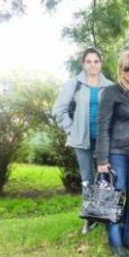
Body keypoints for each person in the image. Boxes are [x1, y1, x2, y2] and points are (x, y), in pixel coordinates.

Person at [96, 49, 129, 257]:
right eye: (127, 67)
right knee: (115, 197)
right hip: (116, 152)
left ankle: (128, 238)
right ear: (120, 69)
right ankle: (115, 241)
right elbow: (103, 127)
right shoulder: (111, 92)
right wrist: (102, 159)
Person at [52, 47, 113, 234]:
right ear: (83, 64)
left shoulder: (110, 86)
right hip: (82, 140)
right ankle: (89, 218)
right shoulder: (74, 84)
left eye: (96, 61)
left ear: (101, 63)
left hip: (104, 140)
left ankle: (103, 216)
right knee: (87, 179)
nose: (92, 65)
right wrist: (72, 129)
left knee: (104, 178)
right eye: (89, 61)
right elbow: (58, 110)